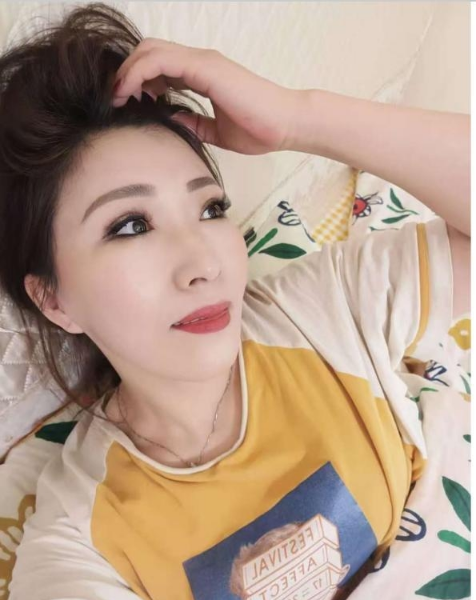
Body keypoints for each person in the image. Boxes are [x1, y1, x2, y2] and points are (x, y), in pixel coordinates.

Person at [1, 3, 469, 600]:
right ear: (54, 300)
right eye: (130, 226)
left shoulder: (321, 311)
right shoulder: (80, 538)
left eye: (211, 208)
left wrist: (297, 118)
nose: (204, 263)